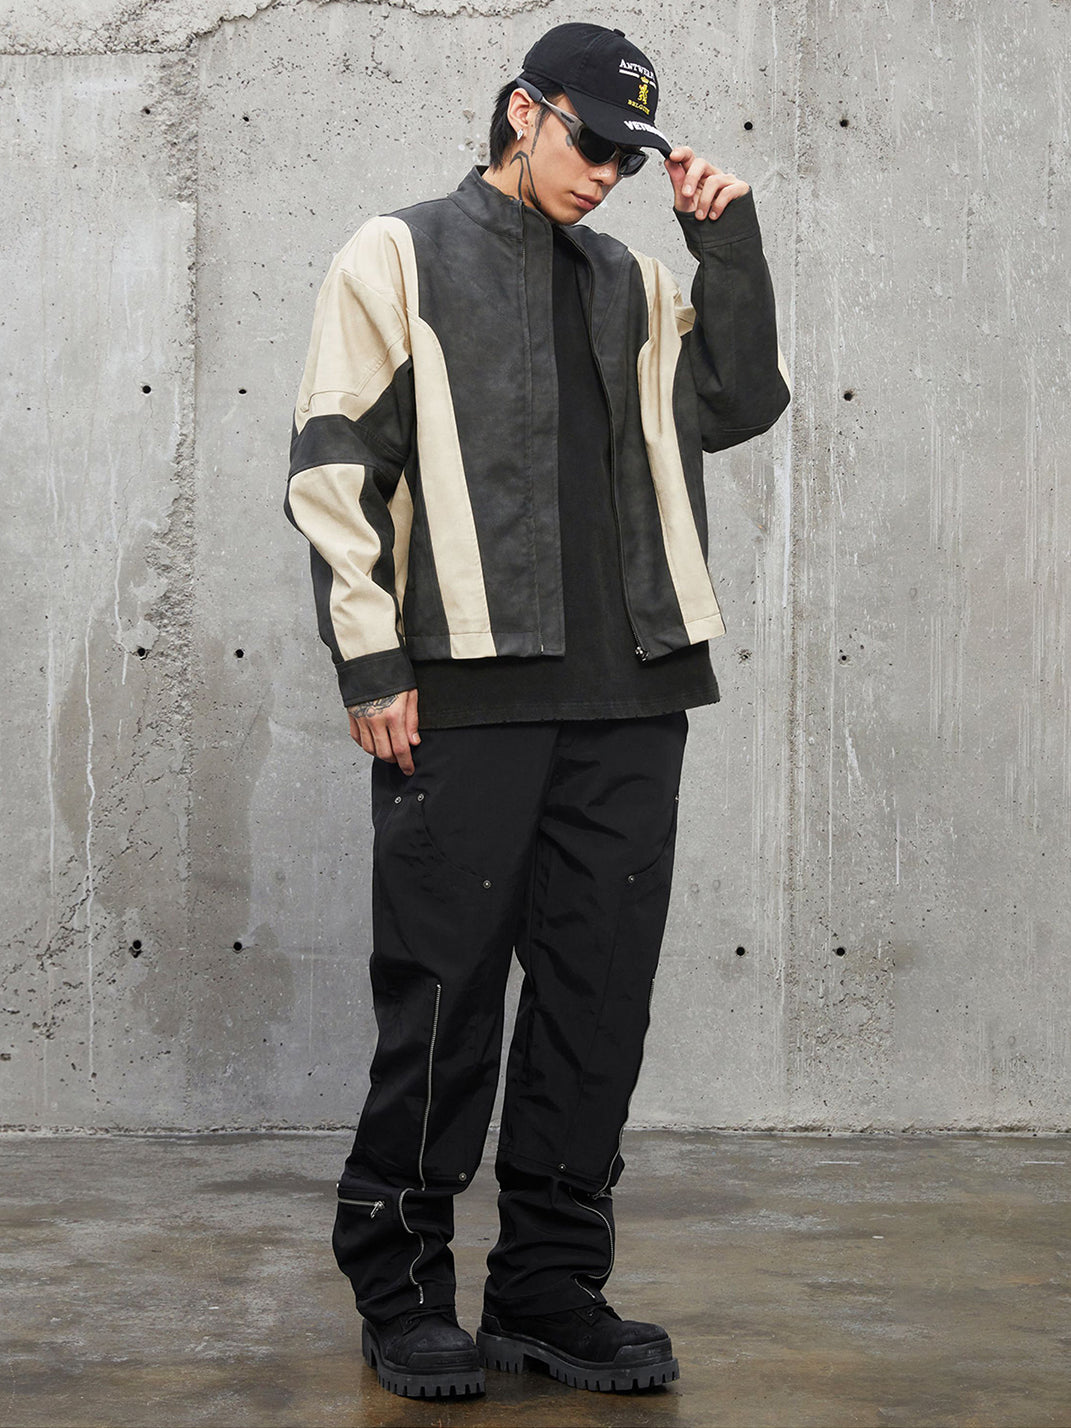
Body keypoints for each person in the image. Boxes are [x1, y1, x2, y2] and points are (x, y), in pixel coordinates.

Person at [285, 21, 790, 1401]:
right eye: (590, 145)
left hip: (633, 691)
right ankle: (401, 1288)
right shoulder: (397, 254)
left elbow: (739, 401)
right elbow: (334, 461)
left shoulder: (634, 278)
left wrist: (726, 247)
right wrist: (371, 662)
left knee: (595, 1000)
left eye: (628, 160)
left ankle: (550, 1290)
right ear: (524, 110)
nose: (606, 177)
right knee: (443, 997)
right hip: (464, 692)